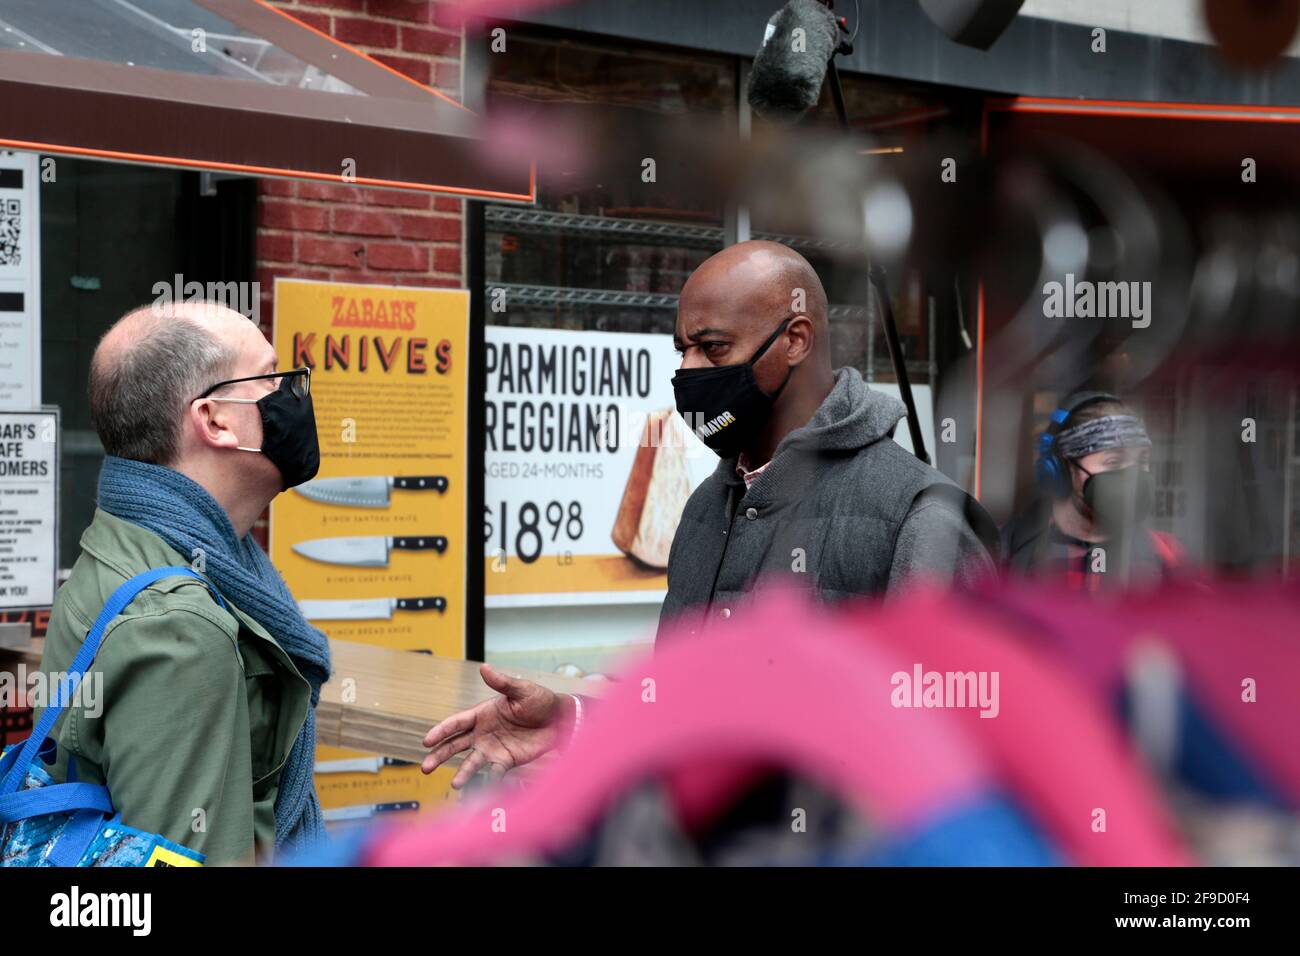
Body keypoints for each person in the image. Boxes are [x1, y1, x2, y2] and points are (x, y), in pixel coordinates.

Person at [422, 240, 996, 788]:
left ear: (796, 339)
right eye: (683, 350)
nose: (691, 371)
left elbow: (954, 767)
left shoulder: (921, 515)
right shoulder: (709, 503)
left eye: (714, 348)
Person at [36, 301, 330, 865]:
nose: (290, 391)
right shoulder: (181, 624)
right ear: (215, 419)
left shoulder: (123, 540)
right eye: (269, 376)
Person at [1000, 390, 1180, 590]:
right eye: (1114, 461)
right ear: (1060, 469)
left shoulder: (1166, 555)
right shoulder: (1004, 550)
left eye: (1141, 461)